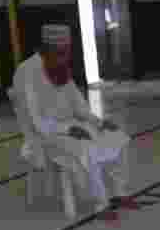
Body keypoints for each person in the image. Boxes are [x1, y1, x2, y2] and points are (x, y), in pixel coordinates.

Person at [11, 24, 130, 212]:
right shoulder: (27, 71)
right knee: (87, 148)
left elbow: (79, 106)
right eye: (60, 52)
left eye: (66, 52)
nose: (64, 57)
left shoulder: (59, 66)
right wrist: (67, 130)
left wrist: (99, 122)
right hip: (44, 134)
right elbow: (35, 120)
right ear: (47, 49)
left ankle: (119, 193)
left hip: (72, 127)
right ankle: (100, 203)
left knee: (117, 137)